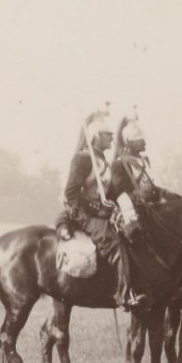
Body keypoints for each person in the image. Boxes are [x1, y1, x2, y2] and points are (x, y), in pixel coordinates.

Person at [54, 109, 141, 309]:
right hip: (83, 214)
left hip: (102, 213)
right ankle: (124, 294)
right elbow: (71, 194)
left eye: (112, 135)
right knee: (115, 243)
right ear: (95, 137)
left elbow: (107, 191)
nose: (112, 138)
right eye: (107, 135)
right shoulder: (83, 159)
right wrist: (96, 210)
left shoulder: (102, 160)